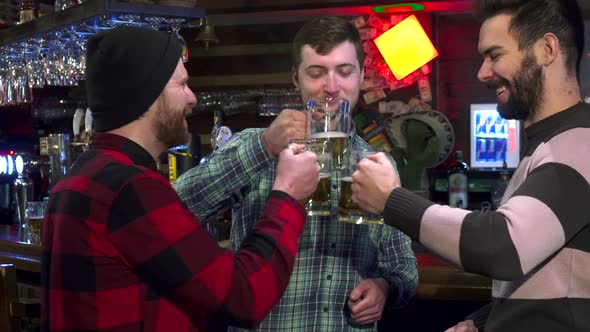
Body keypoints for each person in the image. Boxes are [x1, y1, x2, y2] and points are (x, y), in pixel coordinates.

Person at [41, 26, 321, 332]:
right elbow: (245, 295)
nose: (192, 98)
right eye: (182, 85)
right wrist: (287, 195)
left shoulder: (78, 178)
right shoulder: (131, 189)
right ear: (146, 95)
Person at [350, 0, 589, 331]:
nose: (482, 72)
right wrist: (482, 322)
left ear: (547, 49)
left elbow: (504, 246)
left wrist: (391, 200)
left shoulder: (581, 141)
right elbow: (549, 277)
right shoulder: (552, 145)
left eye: (495, 55)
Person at [174, 16, 418, 331]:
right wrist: (263, 146)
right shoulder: (256, 144)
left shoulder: (378, 163)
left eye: (344, 72)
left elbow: (404, 267)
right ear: (296, 78)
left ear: (360, 77)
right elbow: (177, 209)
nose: (331, 87)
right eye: (316, 73)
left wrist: (386, 288)